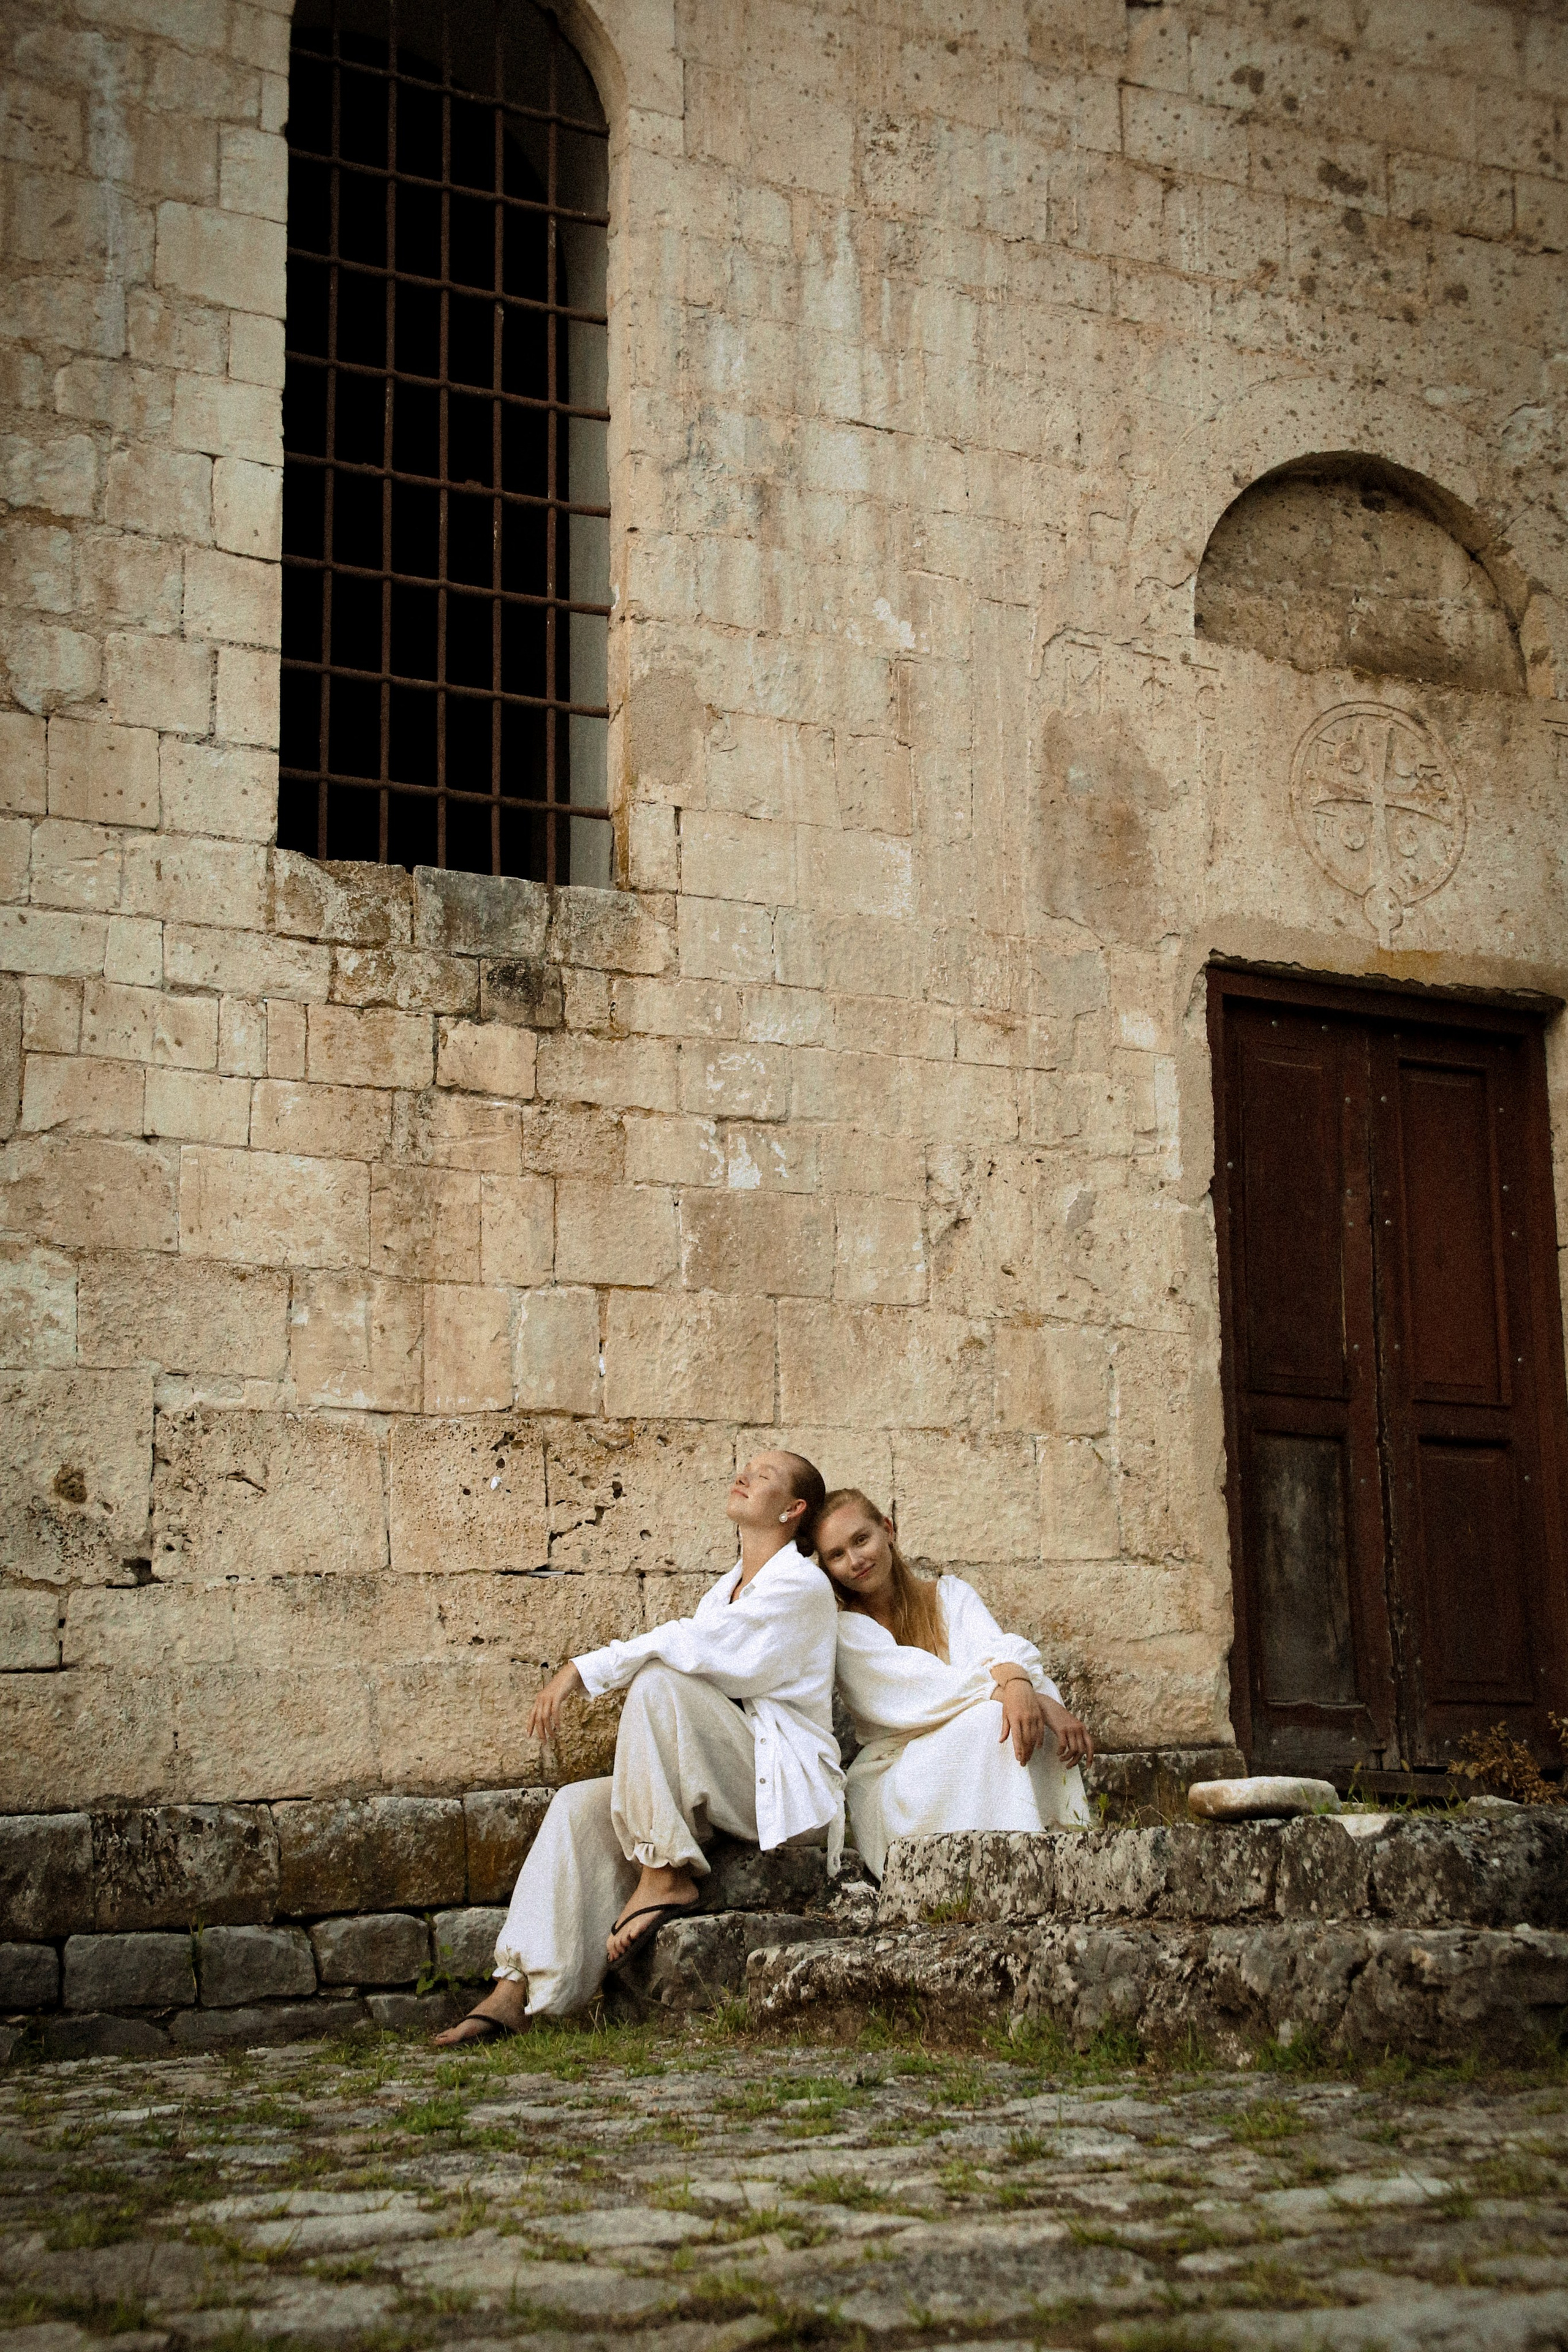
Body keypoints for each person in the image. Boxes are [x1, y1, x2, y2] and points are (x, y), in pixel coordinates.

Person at [434, 1449, 840, 2045]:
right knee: (576, 1804)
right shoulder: (723, 1592)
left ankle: (662, 1871)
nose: (744, 1477)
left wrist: (582, 1669)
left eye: (765, 1477)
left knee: (657, 1679)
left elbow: (693, 1650)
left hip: (785, 1788)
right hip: (727, 1777)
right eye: (745, 1468)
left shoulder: (801, 1587)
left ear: (793, 1510)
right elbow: (699, 1656)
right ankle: (515, 1990)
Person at [816, 1487, 1093, 1879]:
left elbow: (1002, 1652)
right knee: (1000, 1713)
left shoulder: (951, 1595)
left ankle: (1059, 1840)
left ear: (888, 1530)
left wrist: (1020, 1686)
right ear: (827, 1568)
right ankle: (1014, 1863)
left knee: (1034, 1689)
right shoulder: (846, 1630)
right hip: (900, 1778)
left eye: (861, 1540)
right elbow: (925, 1690)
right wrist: (1014, 1688)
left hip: (970, 1745)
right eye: (837, 1555)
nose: (855, 1560)